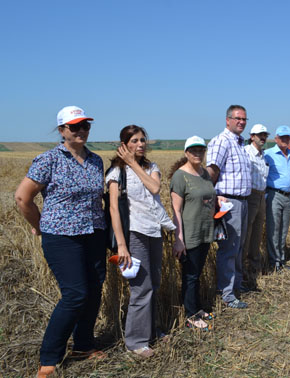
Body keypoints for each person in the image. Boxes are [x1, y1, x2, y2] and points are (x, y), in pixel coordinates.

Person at [14, 106, 106, 377]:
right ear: (62, 130)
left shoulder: (95, 160)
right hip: (62, 237)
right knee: (75, 294)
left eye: (85, 126)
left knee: (93, 290)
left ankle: (84, 346)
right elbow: (22, 198)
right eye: (74, 126)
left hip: (93, 233)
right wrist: (39, 226)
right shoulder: (48, 160)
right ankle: (49, 359)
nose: (81, 131)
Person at [106, 125, 174, 358]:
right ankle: (135, 342)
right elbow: (114, 208)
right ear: (124, 144)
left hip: (153, 231)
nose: (141, 144)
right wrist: (122, 244)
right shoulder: (116, 171)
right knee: (141, 288)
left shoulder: (150, 167)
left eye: (143, 140)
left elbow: (154, 187)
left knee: (154, 283)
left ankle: (151, 331)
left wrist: (134, 163)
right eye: (134, 140)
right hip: (134, 233)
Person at [170, 136, 225, 329]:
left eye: (201, 150)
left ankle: (197, 308)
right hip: (190, 232)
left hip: (205, 230)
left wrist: (219, 200)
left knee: (197, 273)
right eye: (193, 150)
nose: (197, 153)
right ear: (186, 153)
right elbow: (176, 209)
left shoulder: (204, 174)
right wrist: (179, 239)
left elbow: (209, 196)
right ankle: (190, 316)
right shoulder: (180, 176)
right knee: (190, 275)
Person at [206, 105, 252, 309]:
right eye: (237, 118)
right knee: (229, 249)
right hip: (229, 202)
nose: (241, 122)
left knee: (239, 246)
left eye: (244, 119)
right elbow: (212, 172)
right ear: (227, 120)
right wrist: (213, 197)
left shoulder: (240, 144)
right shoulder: (222, 141)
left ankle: (236, 286)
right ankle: (226, 294)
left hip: (242, 201)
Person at [264, 126, 290, 271]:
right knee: (274, 229)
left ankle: (281, 260)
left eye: (287, 137)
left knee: (283, 230)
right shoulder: (268, 154)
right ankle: (274, 262)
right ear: (276, 139)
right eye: (281, 137)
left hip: (288, 196)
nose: (284, 140)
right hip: (274, 195)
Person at [242, 124, 269, 290]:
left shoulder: (263, 155)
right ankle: (243, 269)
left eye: (264, 135)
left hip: (261, 197)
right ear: (252, 136)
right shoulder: (246, 152)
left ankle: (255, 268)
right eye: (259, 135)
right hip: (250, 196)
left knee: (257, 234)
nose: (262, 137)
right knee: (247, 235)